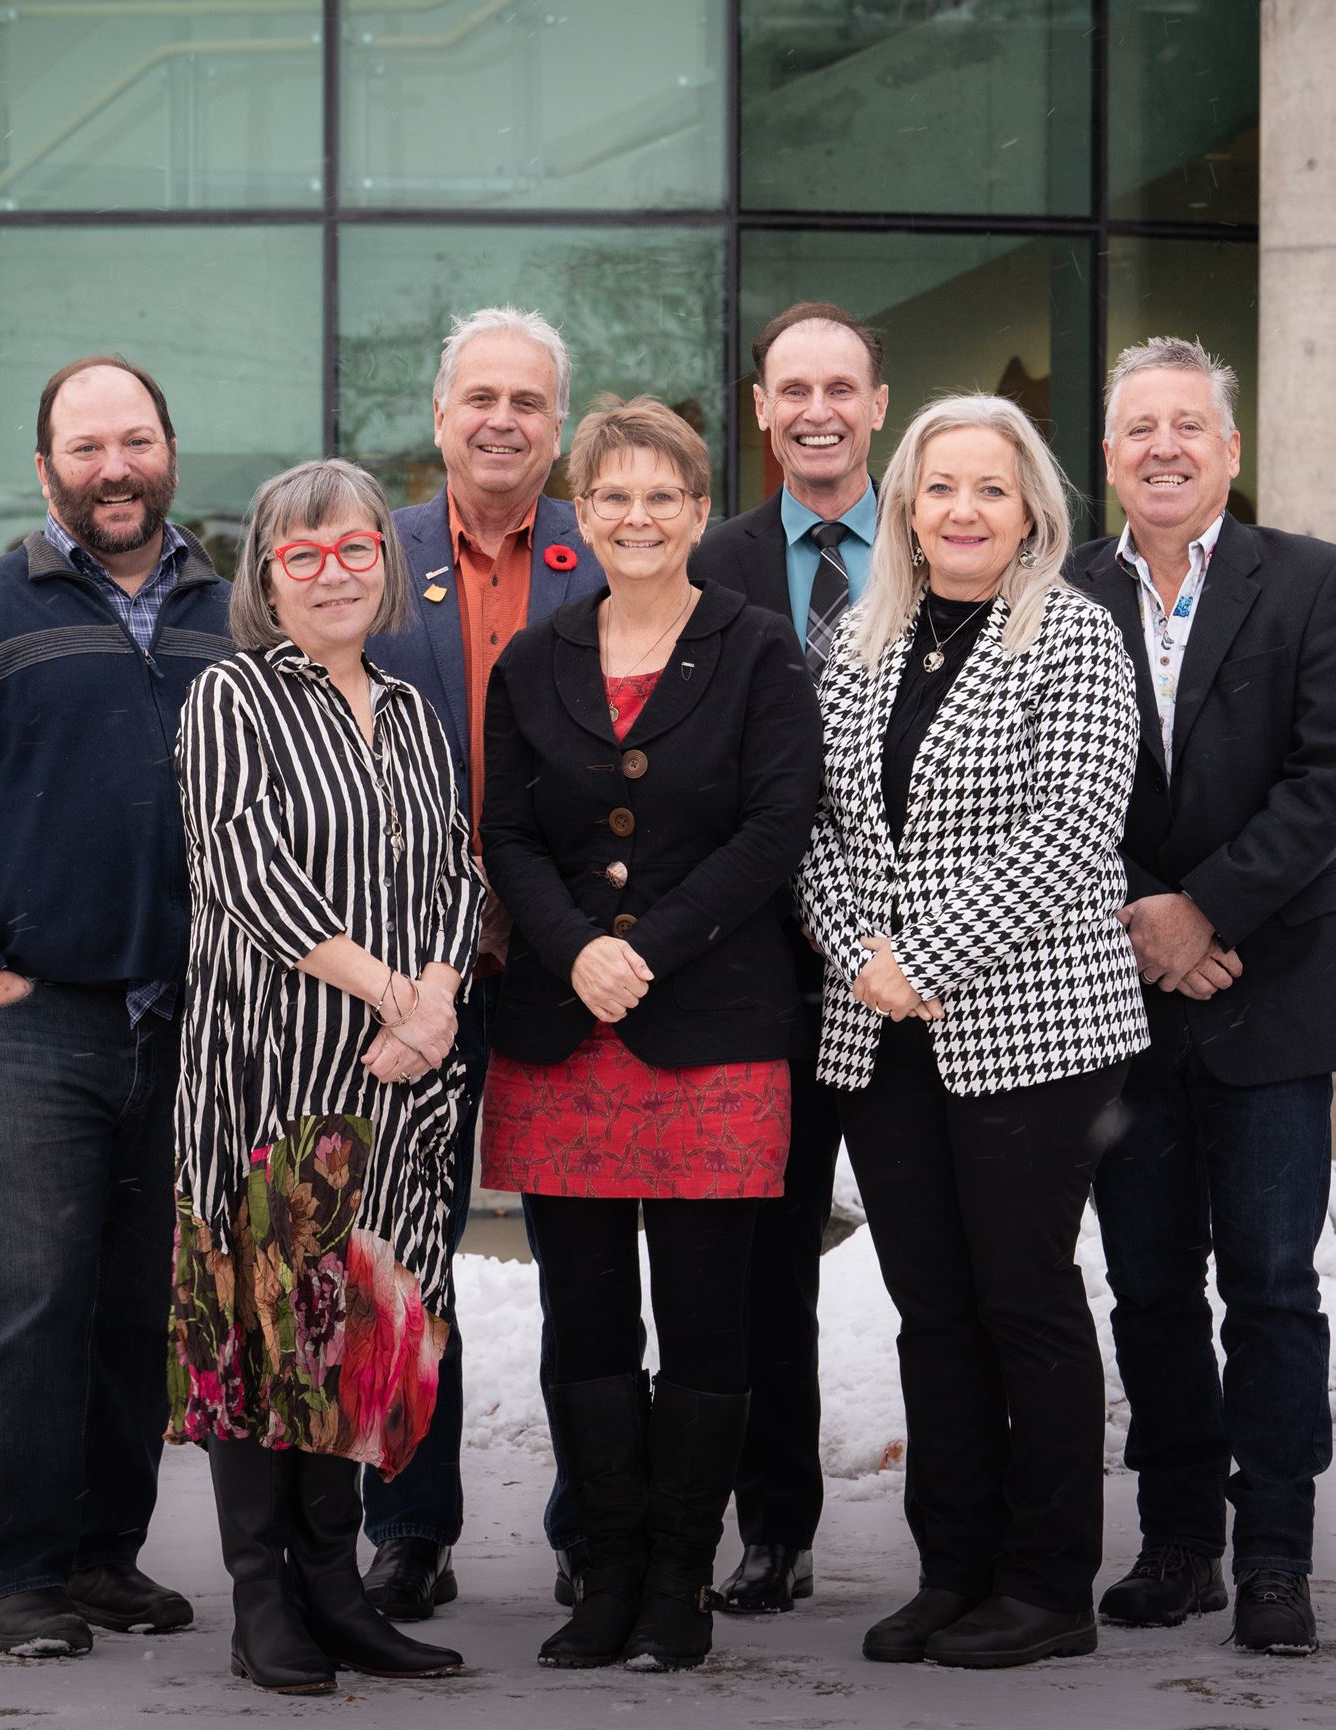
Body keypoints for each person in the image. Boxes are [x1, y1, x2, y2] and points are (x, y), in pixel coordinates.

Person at [0, 356, 229, 1657]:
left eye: (135, 438)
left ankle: (103, 1554)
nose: (113, 466)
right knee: (29, 1300)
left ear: (169, 450)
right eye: (86, 446)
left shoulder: (227, 618)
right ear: (47, 469)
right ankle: (20, 1572)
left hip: (183, 1024)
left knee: (139, 1300)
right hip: (34, 1025)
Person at [797, 393, 1149, 1670]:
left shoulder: (1074, 637)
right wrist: (859, 957)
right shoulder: (859, 638)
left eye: (987, 489)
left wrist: (922, 959)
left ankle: (1048, 1583)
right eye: (938, 487)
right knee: (929, 1310)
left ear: (1031, 508)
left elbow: (1068, 827)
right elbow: (816, 827)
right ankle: (952, 1569)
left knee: (1025, 1301)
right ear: (904, 504)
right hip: (878, 1036)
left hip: (1030, 1029)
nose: (960, 510)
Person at [478, 396, 822, 1671]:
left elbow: (776, 827)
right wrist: (576, 946)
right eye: (611, 495)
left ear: (697, 509)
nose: (635, 516)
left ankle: (679, 1575)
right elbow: (506, 830)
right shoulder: (536, 658)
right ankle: (606, 1571)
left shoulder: (756, 648)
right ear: (581, 511)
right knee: (584, 1321)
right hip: (563, 1032)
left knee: (706, 1318)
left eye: (662, 495)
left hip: (713, 1032)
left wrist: (648, 947)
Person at [1070, 336, 1336, 1658]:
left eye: (1188, 425)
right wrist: (1149, 919)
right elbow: (1048, 785)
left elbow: (1330, 778)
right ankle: (1181, 1541)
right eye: (1139, 427)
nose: (1164, 447)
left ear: (1231, 450)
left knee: (1269, 1283)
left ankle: (1277, 1557)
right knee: (1145, 1283)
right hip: (1118, 1000)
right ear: (1108, 455)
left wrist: (1205, 910)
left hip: (1270, 987)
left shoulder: (1312, 582)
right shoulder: (1060, 589)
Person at [169, 458, 487, 1695]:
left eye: (354, 549)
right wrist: (387, 988)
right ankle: (263, 1597)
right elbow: (243, 867)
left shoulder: (407, 706)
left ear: (388, 565)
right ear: (265, 578)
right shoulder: (231, 697)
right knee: (263, 1326)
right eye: (301, 556)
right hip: (274, 1071)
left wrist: (442, 990)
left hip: (403, 1084)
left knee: (357, 1328)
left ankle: (335, 1583)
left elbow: (457, 874)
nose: (333, 573)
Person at [363, 306, 603, 1619]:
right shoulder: (379, 557)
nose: (502, 419)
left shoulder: (600, 554)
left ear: (556, 425)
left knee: (583, 1255)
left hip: (567, 961)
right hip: (412, 968)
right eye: (480, 398)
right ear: (440, 414)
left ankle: (590, 1518)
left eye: (528, 400)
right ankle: (405, 1522)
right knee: (403, 1251)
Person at [691, 299, 890, 1616]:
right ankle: (774, 1523)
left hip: (927, 972)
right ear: (760, 408)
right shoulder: (712, 562)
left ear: (879, 403)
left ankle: (983, 1527)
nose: (817, 408)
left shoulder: (955, 539)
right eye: (791, 388)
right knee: (769, 1269)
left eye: (842, 385)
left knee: (960, 1266)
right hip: (768, 973)